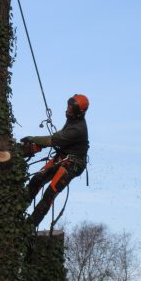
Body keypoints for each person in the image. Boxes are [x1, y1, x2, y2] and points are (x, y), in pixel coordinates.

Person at [21, 94, 89, 227]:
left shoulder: (78, 128)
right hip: (63, 156)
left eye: (71, 108)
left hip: (73, 164)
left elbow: (53, 140)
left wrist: (33, 139)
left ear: (79, 112)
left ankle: (28, 227)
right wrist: (37, 146)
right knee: (37, 179)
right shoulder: (72, 120)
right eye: (68, 105)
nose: (68, 109)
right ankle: (18, 209)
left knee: (50, 193)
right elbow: (59, 139)